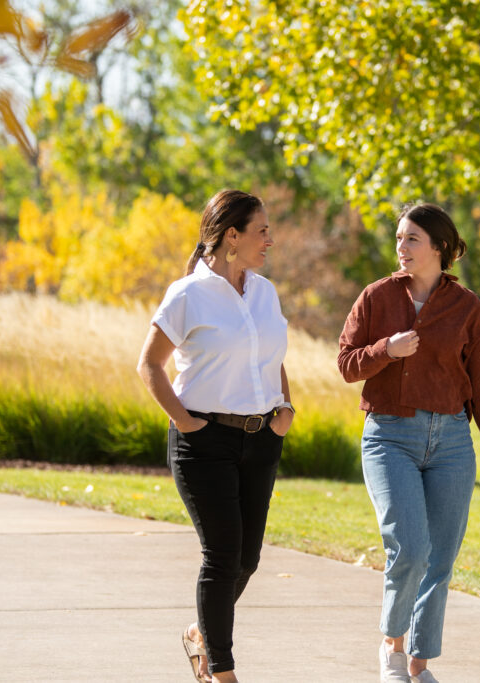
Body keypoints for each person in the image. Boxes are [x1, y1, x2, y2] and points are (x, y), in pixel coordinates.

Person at [338, 202, 480, 683]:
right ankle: (391, 649)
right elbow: (347, 363)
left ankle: (419, 664)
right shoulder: (375, 298)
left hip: (454, 441)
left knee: (440, 557)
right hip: (390, 435)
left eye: (411, 239)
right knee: (410, 547)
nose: (401, 247)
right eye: (398, 238)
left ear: (438, 247)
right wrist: (386, 350)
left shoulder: (466, 307)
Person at [136, 189, 295, 683]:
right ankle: (221, 672)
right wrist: (186, 423)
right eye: (262, 230)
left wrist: (284, 406)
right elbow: (150, 365)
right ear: (232, 236)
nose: (270, 239)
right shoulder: (188, 294)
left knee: (247, 558)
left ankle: (201, 635)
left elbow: (270, 357)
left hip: (262, 438)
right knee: (222, 554)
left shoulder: (264, 292)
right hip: (205, 442)